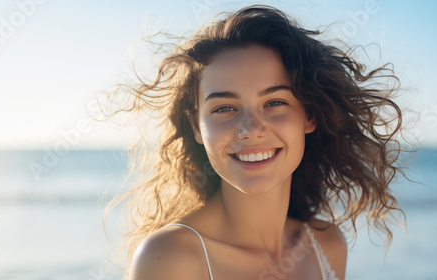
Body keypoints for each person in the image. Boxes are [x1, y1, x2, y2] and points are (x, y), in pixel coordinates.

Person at [104, 5, 407, 280]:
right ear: (197, 125)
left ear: (309, 116)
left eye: (274, 102)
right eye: (224, 108)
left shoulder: (326, 244)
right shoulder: (171, 259)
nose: (250, 129)